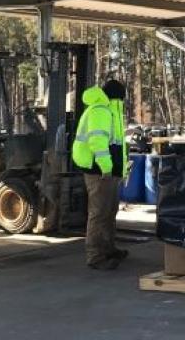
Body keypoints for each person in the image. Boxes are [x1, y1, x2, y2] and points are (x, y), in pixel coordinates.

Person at [71, 79, 129, 270]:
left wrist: (121, 169)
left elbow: (116, 144)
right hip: (100, 172)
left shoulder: (109, 111)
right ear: (117, 98)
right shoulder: (101, 111)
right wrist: (106, 167)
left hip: (108, 171)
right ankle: (96, 256)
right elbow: (98, 143)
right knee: (99, 213)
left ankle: (108, 249)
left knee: (109, 212)